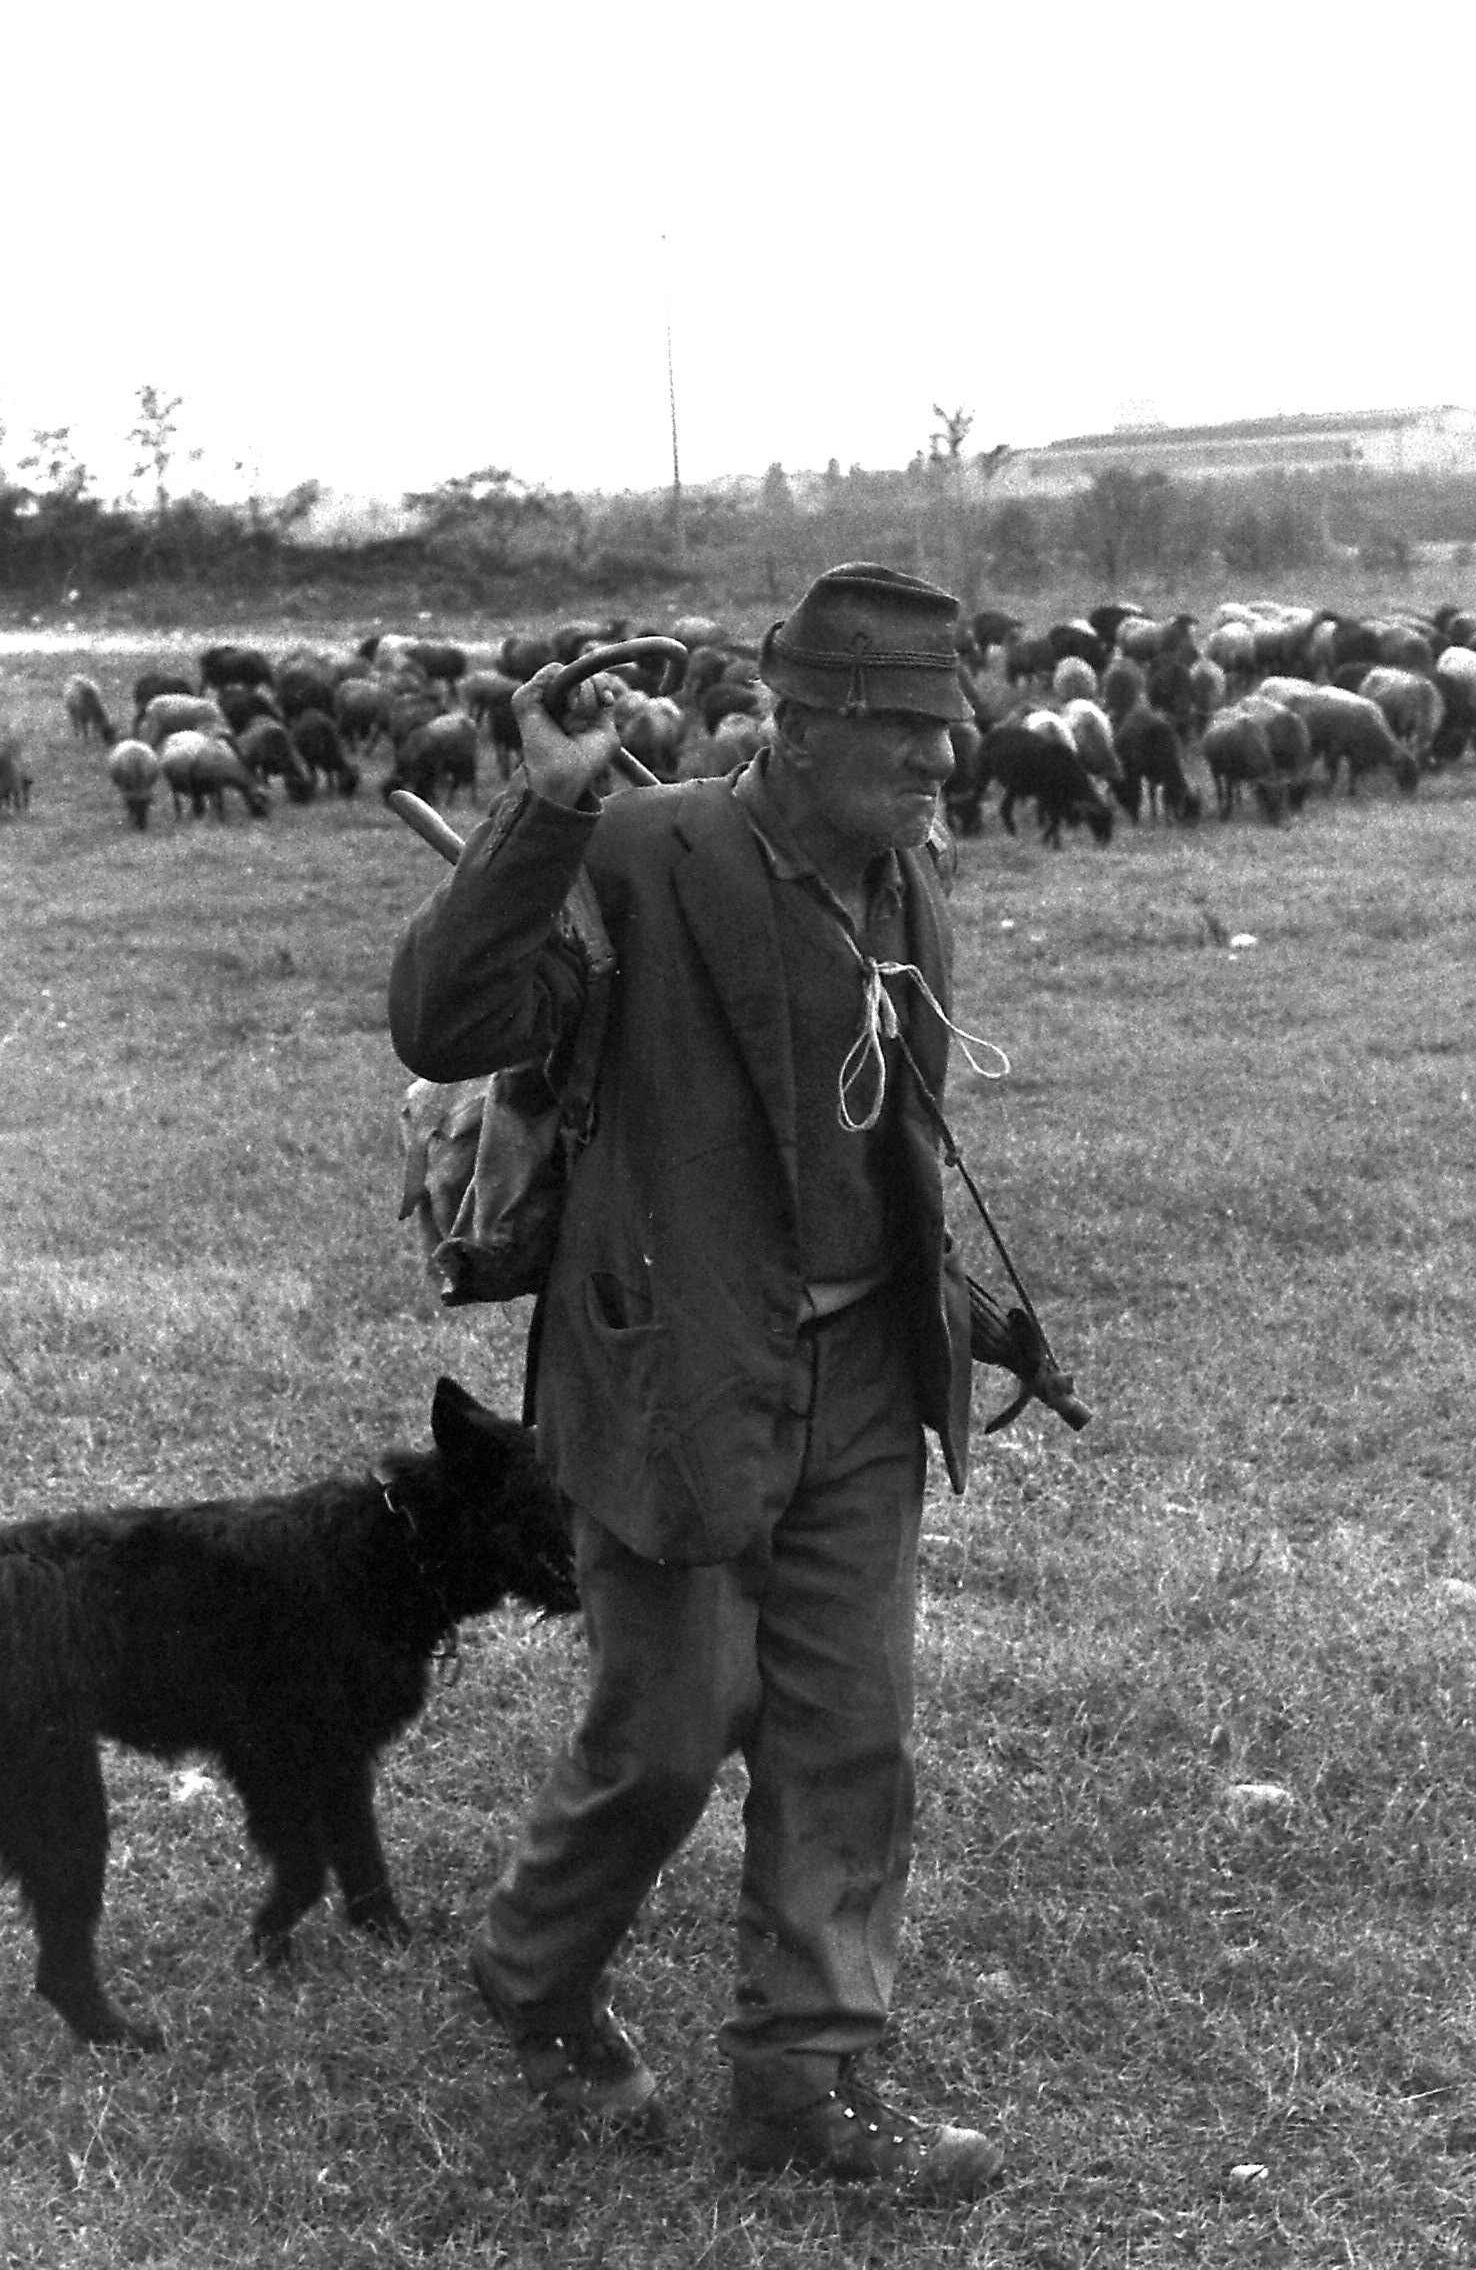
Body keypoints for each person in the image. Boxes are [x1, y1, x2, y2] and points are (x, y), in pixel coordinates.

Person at [387, 564, 1013, 2199]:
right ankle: (531, 1968)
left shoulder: (905, 880)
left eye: (946, 726)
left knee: (849, 1735)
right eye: (903, 728)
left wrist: (957, 1305)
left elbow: (871, 1144)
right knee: (669, 1735)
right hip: (672, 1369)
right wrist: (545, 812)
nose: (941, 758)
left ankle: (806, 2079)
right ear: (799, 726)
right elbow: (445, 1022)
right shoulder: (642, 857)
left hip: (862, 1374)